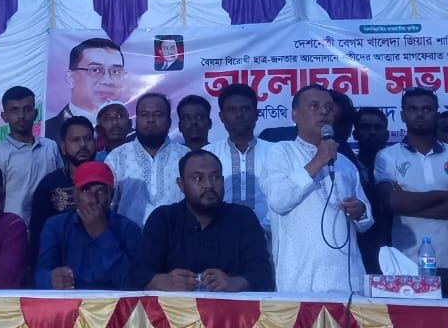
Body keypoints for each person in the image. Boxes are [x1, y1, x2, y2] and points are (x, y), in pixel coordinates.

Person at [264, 85, 373, 294]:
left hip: (348, 280)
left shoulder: (345, 163)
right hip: (300, 280)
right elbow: (278, 200)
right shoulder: (281, 152)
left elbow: (366, 220)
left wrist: (361, 210)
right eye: (314, 106)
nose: (324, 112)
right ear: (295, 115)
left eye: (329, 108)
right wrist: (319, 160)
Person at [131, 150, 274, 292]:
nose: (209, 185)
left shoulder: (243, 218)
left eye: (215, 177)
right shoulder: (163, 219)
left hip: (230, 307)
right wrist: (161, 281)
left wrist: (235, 283)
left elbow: (263, 275)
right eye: (198, 178)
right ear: (181, 184)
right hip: (173, 306)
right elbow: (138, 275)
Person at [374, 88, 448, 269]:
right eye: (412, 109)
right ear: (402, 115)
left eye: (426, 109)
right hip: (407, 264)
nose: (420, 114)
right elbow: (392, 202)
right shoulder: (387, 156)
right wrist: (447, 195)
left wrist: (408, 207)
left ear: (436, 114)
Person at [35, 161, 140, 290]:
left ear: (111, 195)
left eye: (101, 192)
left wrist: (102, 234)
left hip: (112, 302)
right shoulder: (55, 226)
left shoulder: (129, 229)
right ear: (75, 195)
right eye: (86, 190)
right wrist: (51, 279)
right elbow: (40, 274)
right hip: (69, 301)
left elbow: (131, 283)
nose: (93, 199)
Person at [105, 93, 189, 226]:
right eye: (144, 114)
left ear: (169, 121)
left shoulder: (185, 156)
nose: (151, 120)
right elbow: (106, 207)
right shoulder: (117, 157)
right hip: (128, 238)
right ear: (136, 120)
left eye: (158, 114)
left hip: (177, 237)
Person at [0, 87, 62, 224]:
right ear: (4, 116)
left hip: (51, 226)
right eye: (14, 110)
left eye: (27, 109)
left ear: (35, 113)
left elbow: (60, 185)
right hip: (14, 229)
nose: (21, 115)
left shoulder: (50, 147)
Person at [28, 116, 95, 270]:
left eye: (88, 139)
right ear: (63, 147)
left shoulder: (108, 179)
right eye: (75, 140)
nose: (83, 145)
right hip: (61, 267)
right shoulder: (50, 184)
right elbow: (38, 232)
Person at [204, 84, 272, 229]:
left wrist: (264, 229)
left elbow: (282, 197)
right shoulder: (208, 155)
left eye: (245, 109)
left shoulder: (275, 152)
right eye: (231, 110)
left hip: (270, 236)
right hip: (219, 235)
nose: (239, 115)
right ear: (221, 117)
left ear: (256, 114)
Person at [45, 38, 126, 143]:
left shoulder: (132, 136)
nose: (107, 81)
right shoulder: (47, 133)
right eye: (95, 70)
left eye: (116, 71)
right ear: (70, 78)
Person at [353, 107, 391, 275]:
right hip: (360, 246)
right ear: (355, 134)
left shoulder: (400, 165)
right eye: (366, 127)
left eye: (378, 127)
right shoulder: (347, 168)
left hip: (395, 242)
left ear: (387, 134)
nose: (372, 132)